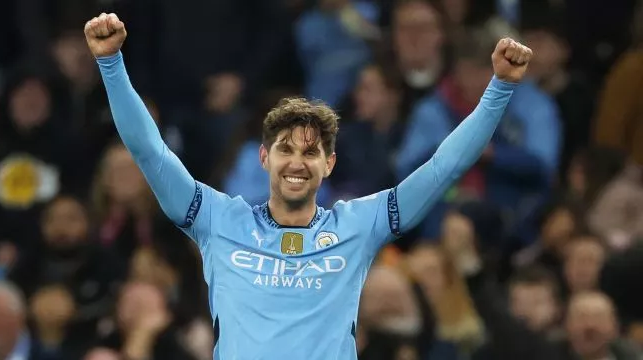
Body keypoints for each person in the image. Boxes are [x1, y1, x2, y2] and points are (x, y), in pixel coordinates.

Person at [84, 12, 532, 360]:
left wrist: (498, 90)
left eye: (311, 152)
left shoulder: (361, 224)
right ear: (264, 158)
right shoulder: (217, 219)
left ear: (329, 163)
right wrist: (110, 63)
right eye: (285, 150)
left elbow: (443, 168)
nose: (296, 163)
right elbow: (149, 151)